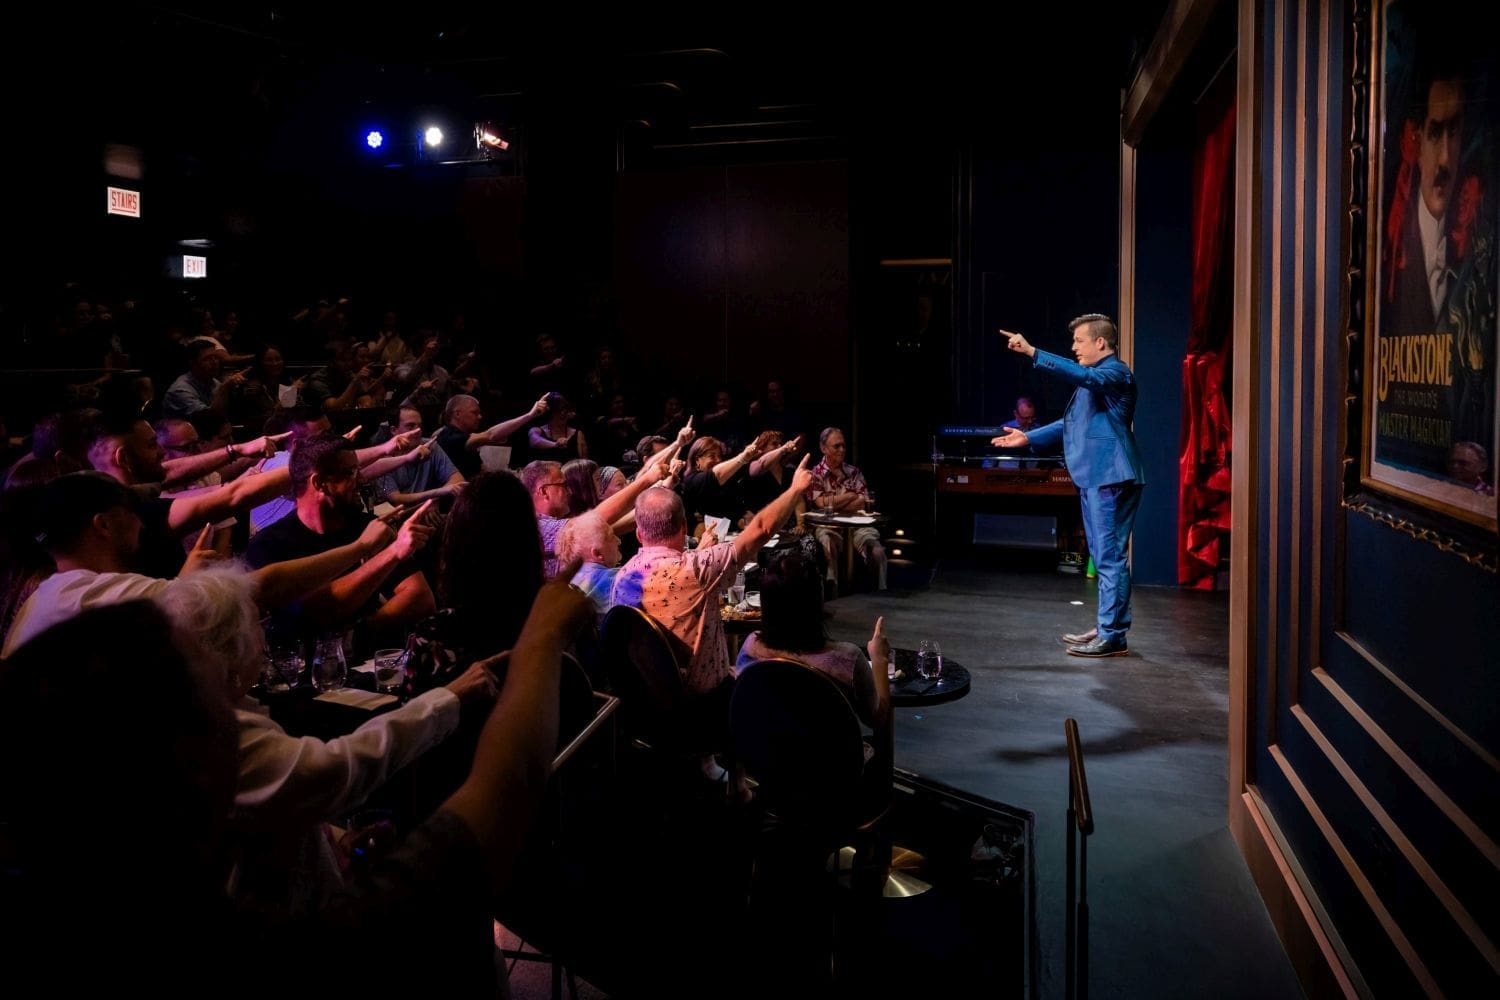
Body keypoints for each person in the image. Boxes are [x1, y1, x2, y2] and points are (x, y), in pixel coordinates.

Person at [992, 314, 1145, 657]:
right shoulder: (1097, 380)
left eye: (1079, 341)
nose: (1074, 348)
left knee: (1109, 558)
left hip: (1112, 476)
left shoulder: (1115, 372)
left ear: (1100, 343)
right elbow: (1070, 421)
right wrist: (1027, 437)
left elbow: (1083, 375)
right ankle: (1108, 626)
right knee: (1104, 556)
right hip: (1096, 476)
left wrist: (1034, 352)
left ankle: (1113, 633)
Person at [806, 427, 887, 592]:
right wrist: (850, 496)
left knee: (878, 552)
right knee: (828, 543)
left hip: (857, 524)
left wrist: (835, 502)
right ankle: (833, 594)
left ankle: (879, 597)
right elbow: (821, 503)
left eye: (843, 446)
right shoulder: (815, 473)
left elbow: (863, 502)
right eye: (837, 446)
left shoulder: (854, 472)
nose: (842, 450)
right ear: (823, 448)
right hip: (828, 526)